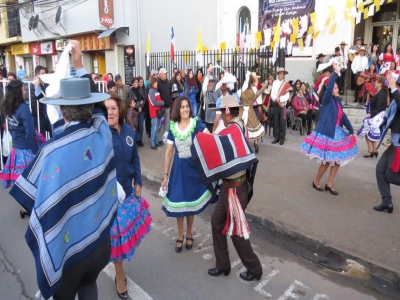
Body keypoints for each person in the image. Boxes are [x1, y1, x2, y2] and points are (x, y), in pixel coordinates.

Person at [9, 39, 117, 300]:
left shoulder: (52, 151)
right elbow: (101, 109)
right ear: (90, 106)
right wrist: (80, 66)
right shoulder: (102, 131)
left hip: (71, 255)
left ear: (62, 112)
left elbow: (34, 199)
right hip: (101, 244)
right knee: (89, 287)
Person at [203, 96, 262, 282]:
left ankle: (254, 269)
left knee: (237, 231)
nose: (221, 115)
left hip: (236, 189)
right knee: (217, 221)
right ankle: (223, 264)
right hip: (229, 187)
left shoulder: (233, 129)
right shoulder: (237, 126)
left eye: (221, 111)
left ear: (228, 111)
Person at [105, 93, 151, 300]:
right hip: (109, 198)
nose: (110, 112)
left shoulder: (129, 132)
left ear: (120, 110)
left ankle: (119, 269)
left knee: (125, 236)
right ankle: (120, 275)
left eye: (113, 108)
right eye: (106, 109)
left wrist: (138, 181)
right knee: (116, 240)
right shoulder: (101, 136)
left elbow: (135, 158)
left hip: (129, 194)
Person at [161, 96, 212, 253]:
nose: (185, 109)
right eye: (182, 107)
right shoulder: (173, 127)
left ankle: (189, 232)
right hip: (178, 171)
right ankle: (180, 234)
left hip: (193, 170)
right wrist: (165, 176)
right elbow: (169, 153)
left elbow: (209, 137)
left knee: (190, 203)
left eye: (187, 106)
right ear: (178, 109)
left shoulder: (195, 124)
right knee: (180, 203)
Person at [300, 63, 359, 196]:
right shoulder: (327, 100)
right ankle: (316, 181)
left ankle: (330, 184)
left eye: (338, 88)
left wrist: (350, 130)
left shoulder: (338, 102)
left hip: (337, 133)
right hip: (327, 132)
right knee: (326, 162)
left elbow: (342, 117)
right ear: (331, 89)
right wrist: (335, 74)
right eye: (335, 88)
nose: (337, 90)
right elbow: (329, 88)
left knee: (337, 161)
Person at [1, 79, 39, 219]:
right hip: (26, 149)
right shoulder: (23, 108)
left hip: (16, 150)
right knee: (34, 179)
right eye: (23, 89)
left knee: (21, 181)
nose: (25, 92)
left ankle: (24, 207)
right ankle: (30, 207)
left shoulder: (9, 108)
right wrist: (35, 151)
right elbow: (30, 131)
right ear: (18, 92)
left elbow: (11, 129)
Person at [373, 73, 400, 213]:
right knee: (380, 169)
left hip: (399, 148)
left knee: (390, 175)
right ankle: (387, 201)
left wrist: (394, 88)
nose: (397, 88)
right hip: (393, 145)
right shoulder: (396, 101)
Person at [357, 75, 387, 157]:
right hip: (376, 114)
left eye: (377, 82)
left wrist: (371, 114)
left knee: (367, 130)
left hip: (377, 115)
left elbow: (379, 107)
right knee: (370, 132)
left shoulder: (382, 93)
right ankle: (374, 150)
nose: (375, 83)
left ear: (380, 83)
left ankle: (370, 151)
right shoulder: (380, 92)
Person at [240, 73, 265, 152]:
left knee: (244, 127)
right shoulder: (253, 89)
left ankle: (246, 145)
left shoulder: (242, 90)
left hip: (243, 111)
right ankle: (256, 142)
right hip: (250, 110)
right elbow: (257, 87)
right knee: (254, 126)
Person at [270, 67, 293, 145]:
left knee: (282, 122)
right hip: (275, 104)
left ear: (284, 75)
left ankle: (282, 138)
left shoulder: (286, 84)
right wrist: (275, 98)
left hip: (282, 105)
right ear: (278, 74)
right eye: (279, 73)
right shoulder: (275, 82)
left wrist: (280, 99)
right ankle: (276, 137)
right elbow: (272, 93)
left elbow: (288, 95)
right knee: (276, 121)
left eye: (282, 73)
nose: (281, 75)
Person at [148, 77, 164, 150]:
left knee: (157, 128)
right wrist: (162, 103)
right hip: (154, 112)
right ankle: (152, 143)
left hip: (157, 112)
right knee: (154, 128)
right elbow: (153, 102)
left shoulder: (155, 90)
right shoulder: (151, 91)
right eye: (155, 82)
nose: (157, 83)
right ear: (152, 83)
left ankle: (156, 142)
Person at [157, 68, 172, 146]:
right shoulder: (158, 83)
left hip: (168, 105)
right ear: (160, 74)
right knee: (161, 124)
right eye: (164, 73)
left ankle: (165, 137)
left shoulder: (167, 82)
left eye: (166, 73)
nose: (166, 75)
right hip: (162, 107)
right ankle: (159, 138)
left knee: (167, 123)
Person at [128, 77, 145, 146]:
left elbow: (144, 100)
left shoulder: (141, 90)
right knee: (135, 125)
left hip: (141, 110)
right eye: (135, 82)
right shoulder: (131, 91)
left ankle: (140, 140)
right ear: (132, 83)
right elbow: (130, 100)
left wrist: (141, 107)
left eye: (137, 82)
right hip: (134, 111)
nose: (136, 84)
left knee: (141, 126)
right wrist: (136, 107)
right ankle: (136, 140)